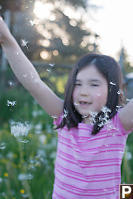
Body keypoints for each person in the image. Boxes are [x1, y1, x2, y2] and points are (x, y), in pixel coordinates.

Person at [0, 16, 133, 199]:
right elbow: (34, 83)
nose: (83, 92)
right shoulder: (63, 116)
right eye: (78, 84)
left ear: (112, 90)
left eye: (94, 84)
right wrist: (6, 39)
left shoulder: (118, 124)